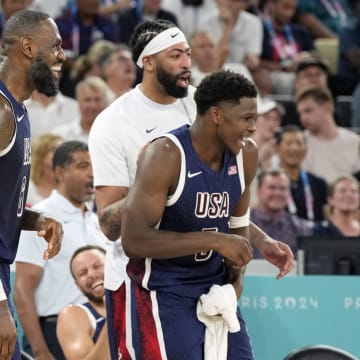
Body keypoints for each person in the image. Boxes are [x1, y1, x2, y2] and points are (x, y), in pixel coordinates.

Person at [89, 20, 294, 359]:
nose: (186, 63)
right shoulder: (115, 123)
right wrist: (151, 180)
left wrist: (257, 240)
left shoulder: (201, 105)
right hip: (142, 277)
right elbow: (111, 226)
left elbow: (210, 197)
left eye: (187, 54)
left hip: (205, 273)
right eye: (175, 55)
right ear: (148, 62)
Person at [119, 70, 259, 359]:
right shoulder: (167, 154)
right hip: (163, 291)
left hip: (214, 288)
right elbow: (133, 240)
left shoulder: (247, 154)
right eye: (246, 119)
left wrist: (238, 276)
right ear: (217, 115)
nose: (253, 128)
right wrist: (214, 242)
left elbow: (238, 225)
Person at [0, 9, 65, 360]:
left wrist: (35, 220)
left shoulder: (18, 110)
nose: (62, 55)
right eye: (55, 45)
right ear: (27, 47)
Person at [14, 141, 108, 360]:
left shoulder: (96, 222)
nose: (92, 174)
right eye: (83, 166)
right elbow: (22, 290)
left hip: (100, 324)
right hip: (54, 331)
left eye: (94, 166)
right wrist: (40, 351)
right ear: (59, 172)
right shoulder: (40, 219)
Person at [296, 85, 360, 183]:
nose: (303, 118)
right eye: (300, 113)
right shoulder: (298, 144)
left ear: (327, 106)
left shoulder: (355, 142)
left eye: (308, 111)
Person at [56, 245, 110, 360]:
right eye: (83, 273)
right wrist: (112, 320)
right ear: (77, 285)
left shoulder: (140, 302)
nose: (91, 274)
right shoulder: (72, 315)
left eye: (97, 266)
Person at [250, 169, 314, 258]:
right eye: (272, 187)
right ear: (259, 191)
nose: (278, 193)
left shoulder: (301, 228)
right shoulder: (243, 222)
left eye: (283, 189)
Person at [276, 125, 328, 221]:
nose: (294, 148)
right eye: (289, 143)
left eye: (299, 143)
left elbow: (328, 218)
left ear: (306, 149)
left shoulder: (319, 184)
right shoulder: (270, 184)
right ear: (277, 148)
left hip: (314, 235)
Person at [53, 76, 113, 142]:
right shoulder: (61, 136)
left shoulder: (116, 134)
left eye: (97, 99)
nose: (93, 105)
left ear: (107, 103)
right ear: (79, 104)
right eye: (87, 100)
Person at [27, 133, 64, 206]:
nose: (61, 153)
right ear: (40, 155)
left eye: (62, 149)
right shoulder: (27, 188)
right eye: (53, 149)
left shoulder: (69, 186)